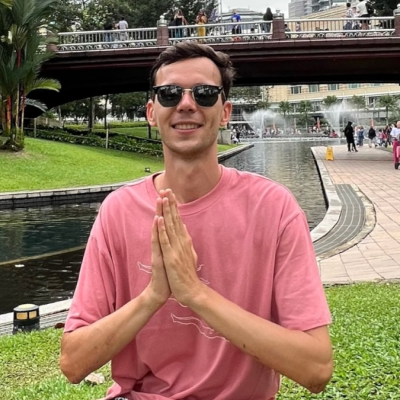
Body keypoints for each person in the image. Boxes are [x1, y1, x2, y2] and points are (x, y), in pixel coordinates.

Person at [60, 42, 333, 400]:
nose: (186, 104)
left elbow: (316, 369)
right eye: (170, 93)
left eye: (204, 93)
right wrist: (153, 295)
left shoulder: (273, 208)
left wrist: (196, 293)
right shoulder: (118, 211)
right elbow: (73, 363)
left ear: (225, 112)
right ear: (152, 112)